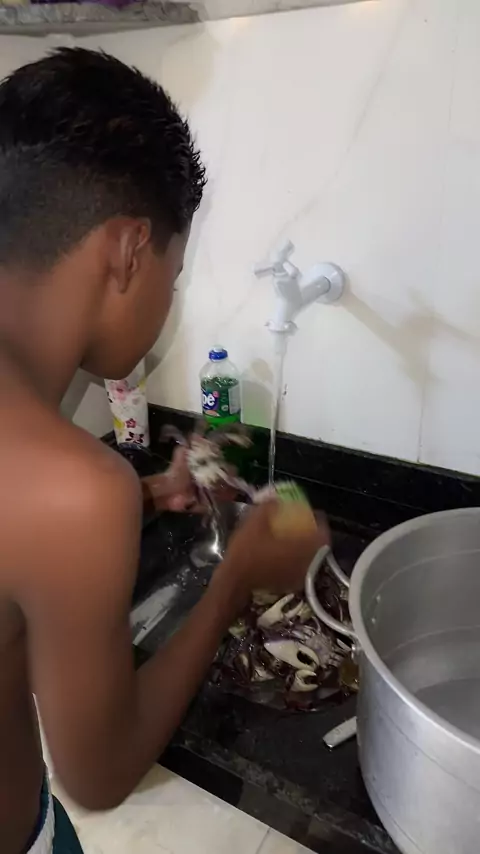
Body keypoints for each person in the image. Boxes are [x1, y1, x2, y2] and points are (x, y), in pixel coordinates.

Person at [0, 48, 328, 854]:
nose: (169, 302)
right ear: (127, 251)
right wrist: (236, 579)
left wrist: (153, 492)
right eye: (174, 277)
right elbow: (101, 773)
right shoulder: (71, 486)